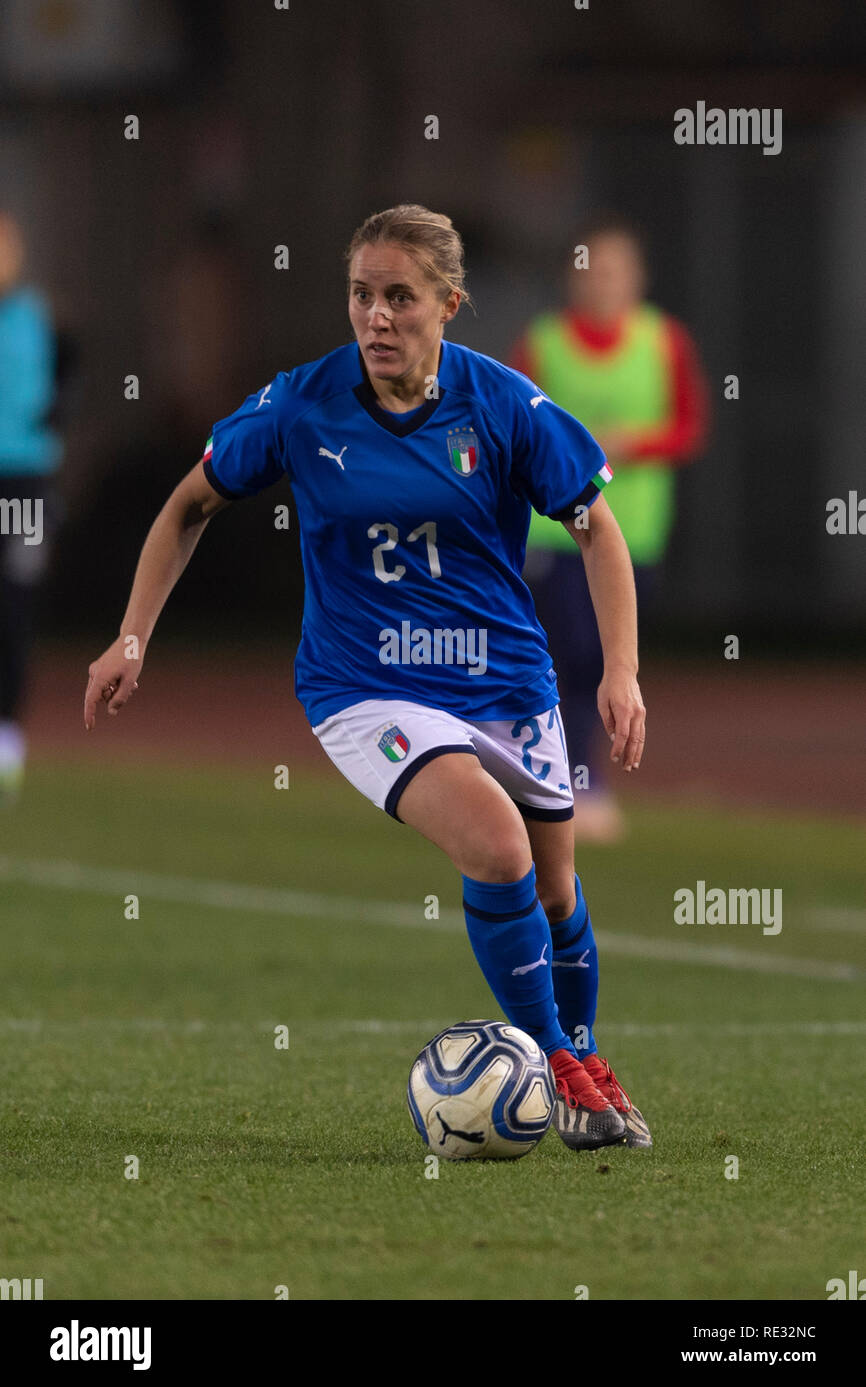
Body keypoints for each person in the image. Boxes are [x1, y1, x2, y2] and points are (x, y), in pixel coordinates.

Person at [84, 204, 650, 1151]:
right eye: (361, 296)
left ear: (449, 305)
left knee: (558, 895)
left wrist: (621, 671)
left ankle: (584, 1051)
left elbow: (597, 528)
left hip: (505, 679)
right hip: (366, 686)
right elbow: (188, 506)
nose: (376, 317)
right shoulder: (302, 404)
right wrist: (132, 637)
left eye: (400, 297)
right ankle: (555, 1064)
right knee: (498, 846)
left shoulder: (504, 402)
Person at [512, 215, 709, 842]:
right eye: (591, 268)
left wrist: (633, 442)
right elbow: (513, 430)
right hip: (555, 534)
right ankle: (578, 780)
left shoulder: (664, 341)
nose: (602, 281)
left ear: (638, 278)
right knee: (567, 656)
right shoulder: (542, 343)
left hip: (635, 535)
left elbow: (689, 427)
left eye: (616, 270)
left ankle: (563, 776)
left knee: (605, 658)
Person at [0, 213, 61, 806]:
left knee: (15, 605)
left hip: (23, 485)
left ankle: (8, 743)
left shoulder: (31, 319)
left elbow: (37, 401)